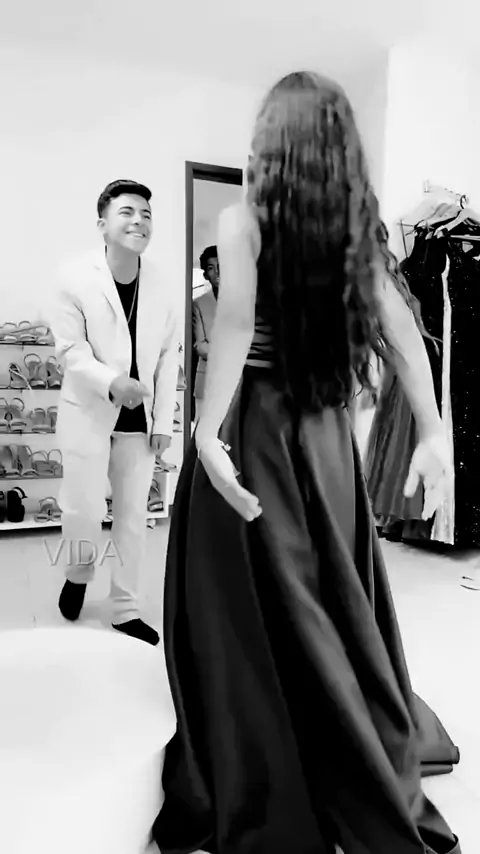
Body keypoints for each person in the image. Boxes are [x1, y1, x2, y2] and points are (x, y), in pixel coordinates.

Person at [154, 74, 460, 853]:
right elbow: (402, 330)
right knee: (326, 592)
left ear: (271, 144)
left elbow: (232, 329)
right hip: (324, 438)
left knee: (242, 599)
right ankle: (346, 742)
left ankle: (265, 748)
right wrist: (435, 432)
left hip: (255, 427)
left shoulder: (243, 221)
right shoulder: (356, 227)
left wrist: (206, 434)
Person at [51, 179, 179, 646]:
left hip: (138, 426)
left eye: (146, 214)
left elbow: (169, 357)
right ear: (102, 224)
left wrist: (163, 422)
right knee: (82, 510)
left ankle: (125, 607)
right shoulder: (73, 276)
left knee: (132, 519)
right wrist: (112, 382)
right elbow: (70, 350)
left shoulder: (163, 283)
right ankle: (78, 574)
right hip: (88, 412)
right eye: (127, 212)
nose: (139, 221)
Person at [192, 245, 220, 421]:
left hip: (239, 384)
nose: (217, 272)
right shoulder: (199, 304)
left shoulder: (243, 302)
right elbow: (200, 346)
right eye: (211, 268)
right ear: (205, 275)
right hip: (207, 381)